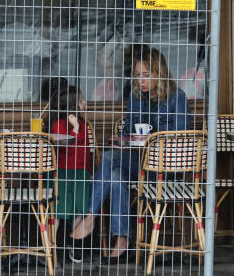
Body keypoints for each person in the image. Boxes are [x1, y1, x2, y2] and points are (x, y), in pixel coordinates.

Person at [70, 46, 189, 262]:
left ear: (158, 73)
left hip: (164, 168)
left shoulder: (176, 98)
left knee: (110, 163)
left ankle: (90, 217)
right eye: (137, 75)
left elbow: (180, 139)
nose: (140, 81)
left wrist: (151, 140)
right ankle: (121, 238)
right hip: (141, 163)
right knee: (114, 174)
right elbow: (128, 131)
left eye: (146, 75)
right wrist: (128, 139)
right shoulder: (136, 97)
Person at [47, 84, 93, 263]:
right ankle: (51, 245)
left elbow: (86, 150)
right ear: (72, 105)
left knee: (79, 210)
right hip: (63, 173)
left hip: (80, 173)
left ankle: (76, 244)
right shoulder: (58, 124)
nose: (84, 102)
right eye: (81, 100)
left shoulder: (83, 124)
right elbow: (66, 147)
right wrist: (74, 129)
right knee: (58, 210)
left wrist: (88, 172)